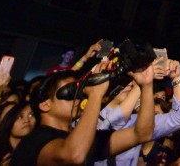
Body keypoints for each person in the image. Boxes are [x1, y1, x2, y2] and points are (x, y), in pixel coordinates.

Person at [10, 64, 155, 166]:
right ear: (45, 104)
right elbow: (73, 155)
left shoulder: (83, 139)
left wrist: (146, 85)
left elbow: (142, 134)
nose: (78, 97)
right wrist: (95, 95)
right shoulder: (32, 142)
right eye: (72, 92)